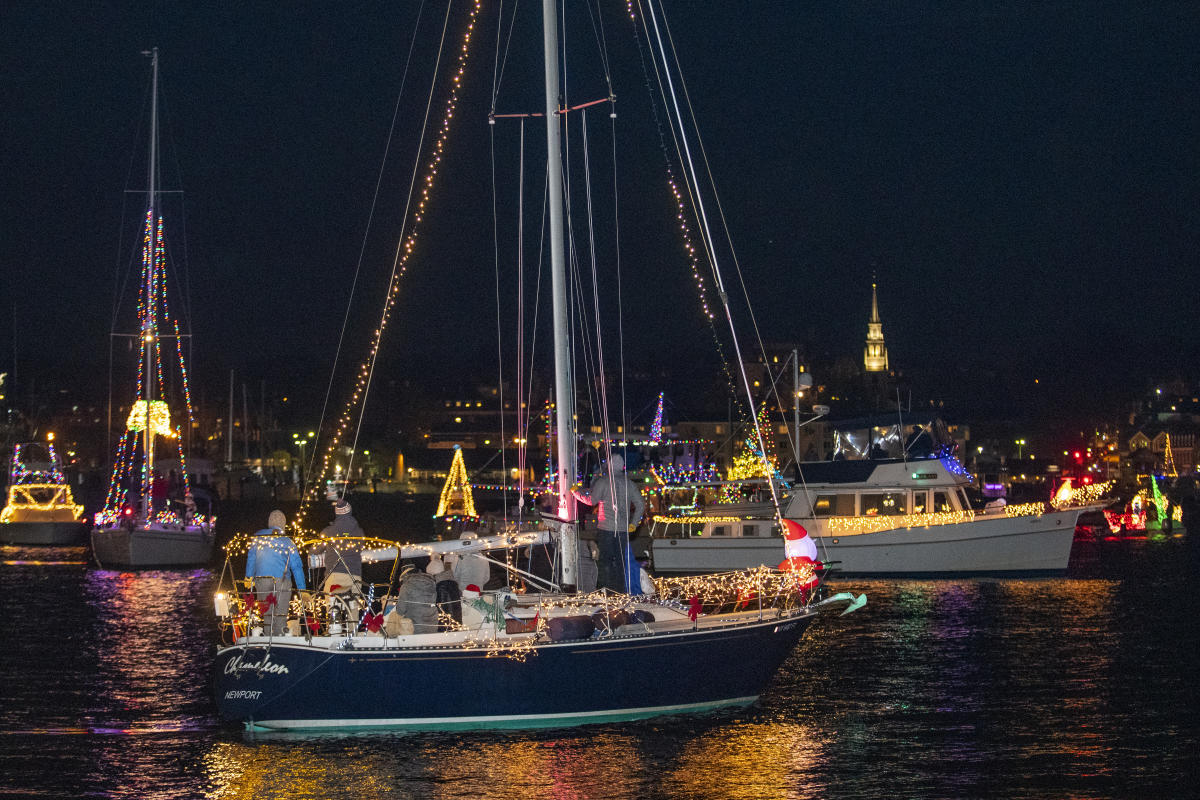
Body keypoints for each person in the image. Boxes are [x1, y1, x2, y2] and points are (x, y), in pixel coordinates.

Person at [572, 453, 644, 593]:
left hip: (606, 529)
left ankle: (606, 591)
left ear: (609, 466)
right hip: (623, 530)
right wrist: (633, 523)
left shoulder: (603, 482)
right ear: (622, 467)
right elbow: (640, 505)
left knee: (605, 562)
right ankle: (621, 592)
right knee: (620, 563)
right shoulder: (630, 483)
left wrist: (576, 493)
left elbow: (591, 500)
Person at [244, 510, 306, 635]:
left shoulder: (257, 538)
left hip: (262, 580)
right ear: (283, 524)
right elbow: (297, 567)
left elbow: (251, 559)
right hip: (282, 581)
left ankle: (267, 638)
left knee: (267, 614)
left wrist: (248, 577)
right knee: (280, 614)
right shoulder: (288, 541)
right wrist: (302, 590)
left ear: (269, 522)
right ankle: (280, 638)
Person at [315, 499, 365, 597]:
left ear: (336, 514)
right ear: (350, 511)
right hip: (354, 577)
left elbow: (315, 549)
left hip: (334, 576)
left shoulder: (328, 532)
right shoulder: (359, 532)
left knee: (333, 607)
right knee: (352, 608)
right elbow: (361, 546)